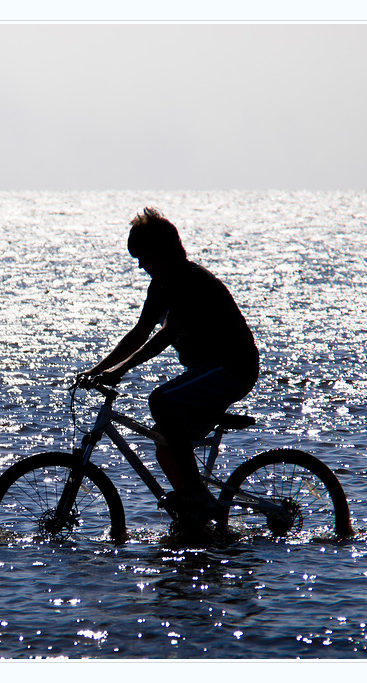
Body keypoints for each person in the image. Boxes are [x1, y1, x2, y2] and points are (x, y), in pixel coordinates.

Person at [78, 207, 260, 526]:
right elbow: (139, 333)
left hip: (233, 366)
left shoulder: (188, 281)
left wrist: (119, 371)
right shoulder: (161, 286)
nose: (140, 265)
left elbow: (166, 335)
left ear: (161, 252)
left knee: (160, 400)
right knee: (165, 445)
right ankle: (197, 517)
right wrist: (98, 369)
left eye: (142, 256)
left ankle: (196, 494)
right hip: (207, 371)